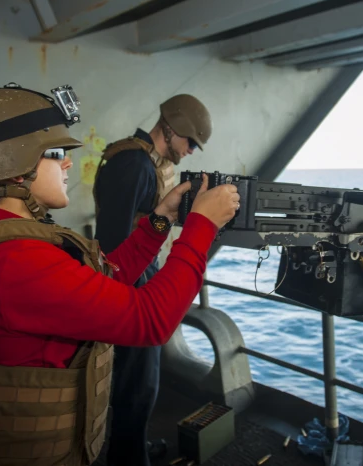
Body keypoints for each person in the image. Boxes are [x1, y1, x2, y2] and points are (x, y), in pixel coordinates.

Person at [0, 83, 239, 466]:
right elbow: (151, 320)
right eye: (56, 153)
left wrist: (160, 221)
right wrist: (202, 227)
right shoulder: (16, 260)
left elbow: (104, 278)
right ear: (11, 166)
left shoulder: (1, 241)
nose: (68, 164)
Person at [92, 94, 212, 466]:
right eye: (190, 142)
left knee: (139, 381)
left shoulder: (136, 160)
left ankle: (132, 448)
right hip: (131, 287)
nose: (191, 150)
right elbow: (115, 242)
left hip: (136, 278)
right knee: (137, 385)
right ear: (171, 129)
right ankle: (128, 460)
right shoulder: (135, 166)